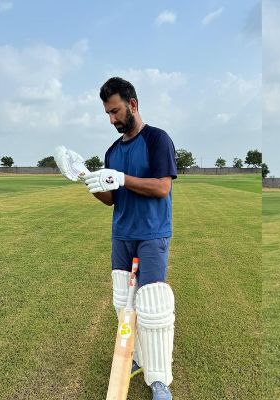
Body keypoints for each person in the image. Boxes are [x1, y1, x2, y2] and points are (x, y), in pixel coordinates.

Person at [84, 77, 177, 400]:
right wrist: (90, 182)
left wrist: (123, 178)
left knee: (152, 305)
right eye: (108, 114)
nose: (112, 119)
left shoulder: (157, 139)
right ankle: (136, 355)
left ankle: (159, 378)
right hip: (122, 234)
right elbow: (112, 199)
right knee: (124, 302)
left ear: (132, 104)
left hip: (152, 233)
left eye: (115, 111)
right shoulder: (112, 151)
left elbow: (162, 187)